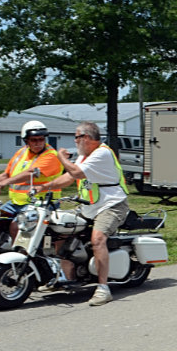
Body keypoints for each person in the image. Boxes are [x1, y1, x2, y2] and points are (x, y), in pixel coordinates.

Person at [43, 121, 130, 306]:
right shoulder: (85, 156)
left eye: (76, 137)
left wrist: (60, 157)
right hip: (89, 206)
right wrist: (45, 187)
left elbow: (74, 172)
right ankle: (66, 278)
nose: (74, 141)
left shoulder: (102, 153)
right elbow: (68, 177)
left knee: (98, 239)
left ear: (87, 138)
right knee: (59, 227)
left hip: (112, 205)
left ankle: (103, 289)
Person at [0, 121, 63, 252]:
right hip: (15, 203)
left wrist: (3, 184)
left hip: (41, 204)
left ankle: (21, 261)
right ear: (26, 141)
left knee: (17, 226)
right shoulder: (21, 153)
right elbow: (7, 174)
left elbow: (29, 174)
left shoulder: (51, 156)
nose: (38, 143)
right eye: (34, 140)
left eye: (41, 139)